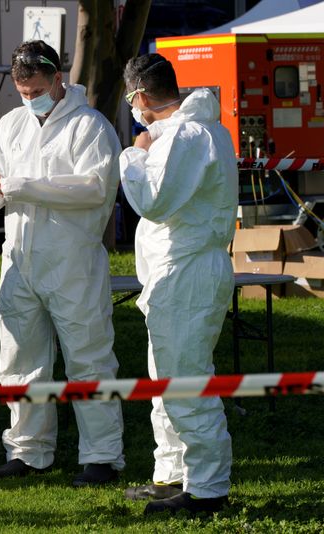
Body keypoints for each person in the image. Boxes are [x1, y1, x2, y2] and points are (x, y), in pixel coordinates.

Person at [0, 40, 125, 487]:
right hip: (20, 258)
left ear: (58, 78)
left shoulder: (90, 126)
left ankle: (102, 456)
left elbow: (94, 188)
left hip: (72, 262)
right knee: (19, 359)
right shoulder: (10, 126)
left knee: (89, 357)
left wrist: (19, 185)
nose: (28, 99)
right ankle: (28, 451)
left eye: (36, 89)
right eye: (21, 92)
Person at [118, 53, 238, 515]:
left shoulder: (183, 137)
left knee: (185, 381)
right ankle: (172, 475)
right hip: (179, 271)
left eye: (133, 101)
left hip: (186, 271)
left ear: (140, 97)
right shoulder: (202, 132)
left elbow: (154, 199)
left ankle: (207, 489)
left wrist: (135, 155)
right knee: (167, 380)